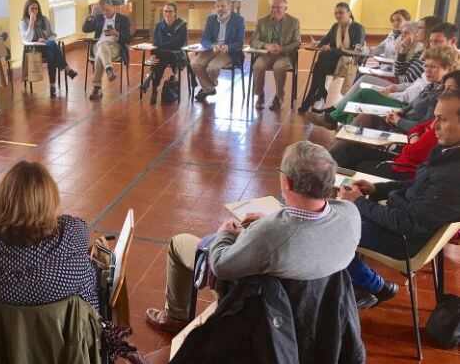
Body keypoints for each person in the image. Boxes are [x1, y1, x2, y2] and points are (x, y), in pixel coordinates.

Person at [145, 141, 361, 332]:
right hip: (311, 309)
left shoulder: (271, 233)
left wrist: (226, 234)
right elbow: (309, 229)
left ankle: (176, 316)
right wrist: (275, 218)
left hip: (259, 305)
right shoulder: (350, 214)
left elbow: (221, 265)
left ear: (287, 182)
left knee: (178, 243)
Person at [338, 90, 460, 309]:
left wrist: (359, 202)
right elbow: (416, 185)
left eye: (442, 119)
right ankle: (367, 285)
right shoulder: (449, 154)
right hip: (402, 225)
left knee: (326, 226)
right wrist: (376, 189)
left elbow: (408, 224)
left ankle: (372, 286)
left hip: (404, 241)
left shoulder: (453, 174)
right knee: (331, 215)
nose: (433, 127)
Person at [0, 161, 98, 311]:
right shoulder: (72, 232)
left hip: (5, 333)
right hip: (70, 331)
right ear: (50, 201)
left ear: (1, 200)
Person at [308, 45, 460, 130]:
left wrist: (398, 115)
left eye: (433, 67)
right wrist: (396, 93)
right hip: (402, 106)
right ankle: (341, 129)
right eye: (425, 66)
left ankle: (333, 120)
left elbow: (422, 122)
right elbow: (413, 94)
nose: (427, 70)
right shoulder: (432, 84)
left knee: (363, 94)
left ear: (448, 68)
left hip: (403, 113)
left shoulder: (443, 93)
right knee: (359, 101)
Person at [298, 2, 365, 113]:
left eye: (341, 12)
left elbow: (356, 51)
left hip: (350, 61)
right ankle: (319, 91)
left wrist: (333, 50)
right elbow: (325, 41)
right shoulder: (335, 27)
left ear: (349, 13)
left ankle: (316, 95)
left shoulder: (358, 28)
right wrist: (317, 44)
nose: (338, 15)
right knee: (321, 59)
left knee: (320, 61)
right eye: (335, 13)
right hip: (333, 61)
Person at [248, 0, 301, 110]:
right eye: (272, 7)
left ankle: (278, 96)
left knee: (279, 67)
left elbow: (297, 42)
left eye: (278, 8)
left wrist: (282, 48)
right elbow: (253, 41)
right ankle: (260, 94)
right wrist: (266, 45)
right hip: (266, 54)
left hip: (284, 55)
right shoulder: (262, 21)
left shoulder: (294, 22)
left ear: (285, 8)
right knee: (257, 66)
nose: (275, 10)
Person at [190, 0, 246, 104]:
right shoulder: (211, 19)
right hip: (212, 49)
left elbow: (239, 42)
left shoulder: (238, 20)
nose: (220, 9)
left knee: (213, 68)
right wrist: (211, 46)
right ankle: (209, 88)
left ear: (230, 6)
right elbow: (205, 39)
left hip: (228, 51)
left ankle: (208, 88)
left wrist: (228, 46)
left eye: (223, 6)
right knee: (194, 63)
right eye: (218, 6)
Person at [19, 0, 78, 98]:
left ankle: (52, 85)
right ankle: (67, 69)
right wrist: (31, 22)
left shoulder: (44, 19)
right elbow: (28, 39)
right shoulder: (23, 23)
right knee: (51, 49)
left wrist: (45, 41)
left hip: (47, 47)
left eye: (36, 8)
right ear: (27, 9)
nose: (34, 11)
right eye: (32, 8)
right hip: (34, 50)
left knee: (51, 50)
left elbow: (53, 35)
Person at [81, 0, 132, 101]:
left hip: (115, 47)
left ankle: (97, 87)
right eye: (103, 11)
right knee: (102, 43)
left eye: (107, 10)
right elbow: (85, 29)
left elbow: (128, 38)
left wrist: (116, 34)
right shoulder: (99, 17)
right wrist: (92, 14)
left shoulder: (123, 19)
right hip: (98, 45)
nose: (105, 13)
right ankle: (109, 69)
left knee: (100, 55)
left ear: (111, 5)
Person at [139, 1, 188, 104]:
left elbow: (177, 44)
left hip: (177, 55)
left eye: (170, 11)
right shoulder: (159, 26)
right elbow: (156, 43)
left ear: (175, 13)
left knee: (161, 58)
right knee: (158, 59)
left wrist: (162, 45)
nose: (167, 14)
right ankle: (153, 84)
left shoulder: (181, 25)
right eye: (165, 11)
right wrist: (153, 55)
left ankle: (153, 87)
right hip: (161, 54)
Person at [394, 16, 445, 84]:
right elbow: (398, 72)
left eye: (420, 28)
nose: (415, 31)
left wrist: (400, 78)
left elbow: (408, 81)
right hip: (400, 89)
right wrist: (402, 53)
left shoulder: (432, 57)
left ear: (430, 30)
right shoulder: (421, 52)